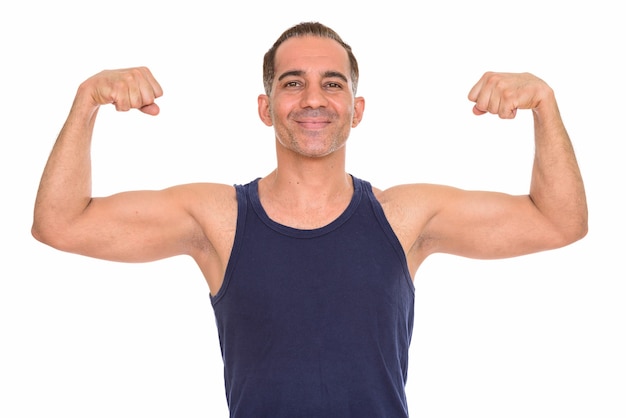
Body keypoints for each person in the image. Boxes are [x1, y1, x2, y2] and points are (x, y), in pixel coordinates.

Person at [32, 21, 588, 418]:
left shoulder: (404, 217)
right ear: (266, 106)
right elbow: (62, 224)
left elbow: (557, 222)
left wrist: (544, 104)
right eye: (293, 82)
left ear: (357, 108)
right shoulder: (218, 219)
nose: (313, 98)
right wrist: (86, 103)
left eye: (333, 82)